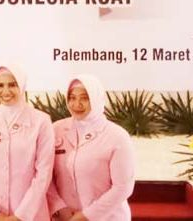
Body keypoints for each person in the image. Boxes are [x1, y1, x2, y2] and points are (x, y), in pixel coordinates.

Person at [0, 65, 54, 221]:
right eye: (0, 85)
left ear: (21, 85)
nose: (6, 91)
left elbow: (44, 173)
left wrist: (21, 215)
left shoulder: (41, 121)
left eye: (12, 85)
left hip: (31, 214)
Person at [47, 74, 135, 221]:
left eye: (84, 98)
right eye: (72, 98)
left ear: (96, 98)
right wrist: (59, 208)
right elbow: (45, 174)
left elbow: (123, 187)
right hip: (64, 217)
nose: (77, 104)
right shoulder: (56, 129)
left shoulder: (117, 136)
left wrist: (86, 216)